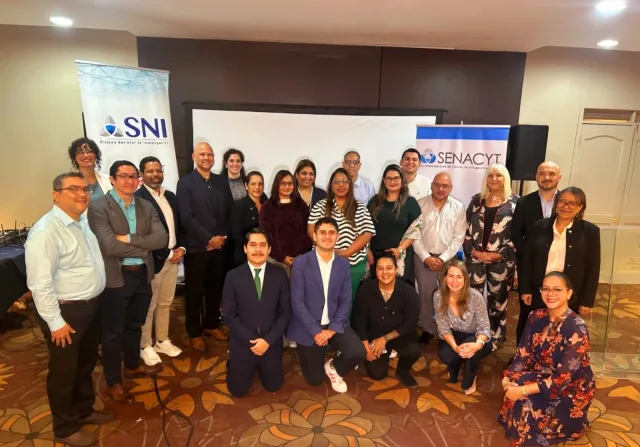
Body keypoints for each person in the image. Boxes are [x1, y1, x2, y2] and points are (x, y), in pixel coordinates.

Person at [26, 172, 113, 447]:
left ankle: (83, 410)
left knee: (85, 364)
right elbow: (39, 284)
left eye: (84, 189)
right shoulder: (46, 231)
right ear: (56, 195)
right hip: (66, 314)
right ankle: (64, 428)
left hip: (89, 307)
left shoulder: (81, 222)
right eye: (73, 189)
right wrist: (55, 323)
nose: (81, 194)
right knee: (64, 372)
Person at [88, 161, 168, 403]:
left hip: (142, 275)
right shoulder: (98, 207)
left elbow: (161, 239)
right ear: (112, 179)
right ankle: (113, 380)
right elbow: (109, 246)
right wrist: (143, 247)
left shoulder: (145, 205)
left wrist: (130, 239)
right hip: (116, 277)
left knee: (135, 324)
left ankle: (132, 365)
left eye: (133, 176)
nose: (129, 181)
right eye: (123, 176)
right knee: (113, 332)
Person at [499, 272, 595, 447]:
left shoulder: (577, 328)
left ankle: (569, 425)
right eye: (546, 289)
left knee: (525, 399)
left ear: (569, 293)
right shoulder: (535, 316)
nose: (550, 294)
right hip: (544, 373)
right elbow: (523, 354)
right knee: (514, 381)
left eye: (557, 289)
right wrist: (508, 376)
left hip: (571, 387)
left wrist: (522, 390)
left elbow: (562, 379)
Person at [286, 218, 366, 393]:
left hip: (334, 323)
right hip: (308, 326)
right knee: (314, 379)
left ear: (337, 237)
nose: (327, 236)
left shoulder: (343, 264)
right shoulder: (301, 263)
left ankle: (333, 366)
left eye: (332, 233)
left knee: (358, 352)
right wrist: (316, 331)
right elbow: (297, 302)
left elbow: (345, 300)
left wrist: (331, 330)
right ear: (314, 236)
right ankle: (314, 357)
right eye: (323, 232)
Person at [176, 142, 234, 350]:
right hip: (197, 248)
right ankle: (194, 332)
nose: (206, 158)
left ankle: (211, 325)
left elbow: (229, 211)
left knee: (214, 288)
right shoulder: (185, 183)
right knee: (193, 292)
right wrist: (209, 238)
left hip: (219, 247)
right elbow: (186, 217)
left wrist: (222, 238)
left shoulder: (221, 181)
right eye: (202, 154)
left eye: (210, 154)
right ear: (194, 156)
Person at [223, 228, 291, 397]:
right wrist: (251, 342)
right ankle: (233, 362)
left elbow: (285, 312)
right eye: (253, 245)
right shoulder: (233, 276)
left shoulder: (280, 275)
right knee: (237, 391)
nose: (258, 250)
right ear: (245, 248)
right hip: (243, 342)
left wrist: (267, 341)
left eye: (262, 245)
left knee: (274, 386)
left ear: (269, 249)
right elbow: (229, 315)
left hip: (270, 342)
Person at [134, 156, 185, 366]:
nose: (155, 174)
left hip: (174, 258)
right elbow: (142, 235)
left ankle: (162, 341)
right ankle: (145, 345)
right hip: (153, 260)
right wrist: (166, 253)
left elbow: (178, 225)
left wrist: (181, 248)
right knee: (149, 305)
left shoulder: (170, 196)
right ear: (142, 174)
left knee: (165, 303)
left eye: (158, 170)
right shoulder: (138, 199)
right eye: (150, 171)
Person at [520, 187, 600, 316]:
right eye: (562, 201)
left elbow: (593, 268)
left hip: (570, 294)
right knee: (535, 324)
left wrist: (587, 300)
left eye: (572, 203)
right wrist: (525, 289)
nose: (566, 206)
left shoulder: (590, 231)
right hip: (540, 291)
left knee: (564, 327)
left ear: (580, 207)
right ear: (556, 203)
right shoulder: (539, 226)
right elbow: (528, 260)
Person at [406, 172, 466, 344]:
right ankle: (427, 327)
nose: (441, 189)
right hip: (423, 258)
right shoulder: (419, 204)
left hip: (449, 259)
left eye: (445, 186)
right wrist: (426, 257)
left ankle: (447, 328)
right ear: (431, 186)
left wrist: (443, 258)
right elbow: (414, 234)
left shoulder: (458, 207)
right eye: (437, 185)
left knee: (449, 294)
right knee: (426, 295)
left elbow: (459, 237)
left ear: (451, 188)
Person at [463, 163, 518, 350]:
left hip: (501, 263)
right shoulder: (477, 200)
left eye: (498, 175)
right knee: (473, 299)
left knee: (498, 302)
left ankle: (496, 336)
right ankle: (474, 334)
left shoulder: (516, 203)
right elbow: (465, 230)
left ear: (505, 178)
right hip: (475, 261)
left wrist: (499, 255)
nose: (494, 179)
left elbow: (519, 236)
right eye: (490, 175)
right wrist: (472, 251)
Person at [352, 253, 420, 387]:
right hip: (373, 335)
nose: (385, 273)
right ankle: (383, 354)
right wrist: (367, 349)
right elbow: (358, 321)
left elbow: (410, 323)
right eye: (380, 268)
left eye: (389, 268)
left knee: (413, 350)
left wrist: (384, 339)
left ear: (396, 269)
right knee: (376, 374)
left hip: (398, 334)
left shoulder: (408, 292)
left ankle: (403, 370)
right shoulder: (366, 289)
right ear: (375, 271)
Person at [512, 161, 561, 344]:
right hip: (531, 270)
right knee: (528, 314)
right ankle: (522, 354)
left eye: (551, 173)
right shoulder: (524, 202)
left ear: (559, 177)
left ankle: (553, 354)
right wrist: (532, 257)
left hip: (560, 267)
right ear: (536, 177)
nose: (546, 177)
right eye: (542, 173)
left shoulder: (566, 201)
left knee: (558, 315)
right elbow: (516, 235)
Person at [308, 168, 375, 299]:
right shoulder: (320, 206)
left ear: (350, 185)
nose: (341, 185)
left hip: (353, 264)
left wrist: (347, 252)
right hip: (324, 261)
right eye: (336, 181)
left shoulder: (360, 207)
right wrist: (326, 249)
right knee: (324, 299)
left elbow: (367, 233)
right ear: (331, 185)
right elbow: (311, 230)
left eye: (344, 181)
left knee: (348, 300)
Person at [433, 260, 492, 395]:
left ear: (465, 279)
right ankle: (457, 364)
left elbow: (484, 327)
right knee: (445, 355)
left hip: (476, 336)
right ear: (444, 278)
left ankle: (470, 377)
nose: (454, 281)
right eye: (450, 276)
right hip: (454, 335)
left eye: (459, 277)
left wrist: (477, 345)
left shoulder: (475, 297)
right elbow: (443, 328)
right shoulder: (438, 296)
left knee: (470, 351)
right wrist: (455, 347)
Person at [367, 165, 421, 284]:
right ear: (384, 180)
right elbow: (365, 227)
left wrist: (399, 250)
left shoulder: (411, 203)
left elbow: (416, 229)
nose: (392, 181)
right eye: (389, 178)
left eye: (396, 178)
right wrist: (366, 249)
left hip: (399, 256)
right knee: (376, 289)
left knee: (400, 290)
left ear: (402, 180)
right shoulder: (374, 201)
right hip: (375, 257)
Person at [259, 170, 312, 275]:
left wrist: (300, 255)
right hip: (275, 261)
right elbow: (266, 235)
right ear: (277, 185)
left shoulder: (301, 205)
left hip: (300, 260)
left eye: (290, 183)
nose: (287, 187)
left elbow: (307, 231)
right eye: (283, 183)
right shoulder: (268, 207)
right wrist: (281, 257)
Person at [230, 171, 268, 267]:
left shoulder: (268, 205)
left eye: (260, 184)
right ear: (246, 186)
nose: (257, 187)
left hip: (266, 255)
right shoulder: (239, 206)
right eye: (253, 184)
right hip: (244, 256)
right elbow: (237, 235)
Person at [68, 137, 111, 203]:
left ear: (96, 155)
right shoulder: (68, 183)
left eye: (89, 152)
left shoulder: (108, 180)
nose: (85, 155)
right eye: (80, 152)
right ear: (74, 157)